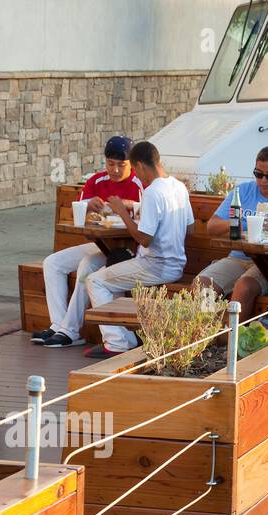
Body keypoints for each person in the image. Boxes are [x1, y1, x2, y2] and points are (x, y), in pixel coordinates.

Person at [81, 141, 193, 358]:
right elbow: (190, 227)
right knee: (109, 272)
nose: (137, 176)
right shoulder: (178, 186)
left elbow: (144, 239)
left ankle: (117, 344)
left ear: (140, 165)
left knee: (94, 280)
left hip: (157, 265)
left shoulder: (152, 193)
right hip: (178, 262)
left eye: (135, 169)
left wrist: (122, 211)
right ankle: (126, 339)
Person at [33, 136, 143, 348]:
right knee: (52, 263)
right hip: (102, 244)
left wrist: (129, 205)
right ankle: (58, 325)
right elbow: (79, 209)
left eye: (122, 165)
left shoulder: (138, 183)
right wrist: (88, 204)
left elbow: (146, 213)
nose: (116, 170)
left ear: (131, 164)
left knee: (87, 266)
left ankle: (70, 331)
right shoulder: (97, 180)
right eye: (111, 164)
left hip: (129, 249)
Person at [196, 146, 268, 324]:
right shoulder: (243, 192)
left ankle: (230, 338)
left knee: (244, 286)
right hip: (238, 257)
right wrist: (237, 223)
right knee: (203, 285)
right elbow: (212, 226)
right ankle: (205, 329)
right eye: (258, 174)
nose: (263, 180)